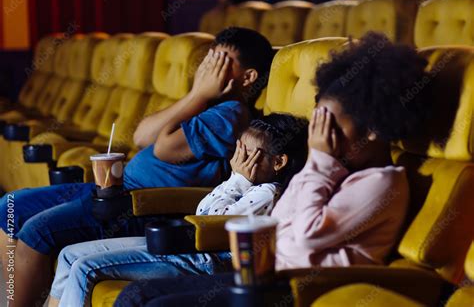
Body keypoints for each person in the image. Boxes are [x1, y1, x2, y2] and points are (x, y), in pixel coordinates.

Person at [115, 32, 433, 306]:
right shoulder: (334, 171)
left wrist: (320, 163)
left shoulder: (381, 183)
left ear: (375, 129)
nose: (318, 135)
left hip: (295, 291)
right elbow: (281, 220)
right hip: (264, 279)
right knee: (138, 295)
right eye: (316, 121)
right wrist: (319, 165)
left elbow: (308, 236)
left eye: (330, 124)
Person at [0, 27, 274, 307]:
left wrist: (198, 94)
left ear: (248, 77)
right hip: (116, 188)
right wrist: (196, 95)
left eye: (220, 60)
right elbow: (141, 136)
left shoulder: (230, 113)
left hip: (144, 204)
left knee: (37, 231)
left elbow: (164, 149)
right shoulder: (204, 104)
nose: (207, 67)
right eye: (209, 57)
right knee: (10, 206)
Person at [47, 114, 309, 307]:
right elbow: (202, 209)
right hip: (188, 245)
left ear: (278, 162)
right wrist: (236, 180)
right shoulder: (248, 184)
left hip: (207, 260)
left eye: (248, 153)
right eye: (238, 149)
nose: (237, 160)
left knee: (85, 268)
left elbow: (209, 220)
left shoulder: (268, 193)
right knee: (69, 255)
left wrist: (237, 179)